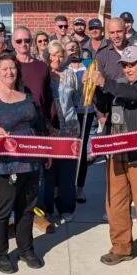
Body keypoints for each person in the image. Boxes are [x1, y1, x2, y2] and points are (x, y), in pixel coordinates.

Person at [89, 46, 137, 275]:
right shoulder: (118, 84)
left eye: (133, 64)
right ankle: (121, 246)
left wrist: (107, 83)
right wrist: (96, 89)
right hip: (117, 153)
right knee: (116, 205)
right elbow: (103, 105)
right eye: (125, 64)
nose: (128, 69)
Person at [0, 54, 46, 274]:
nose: (9, 72)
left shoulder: (27, 94)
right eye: (4, 69)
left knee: (27, 209)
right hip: (2, 165)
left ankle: (26, 250)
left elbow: (39, 124)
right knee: (2, 211)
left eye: (12, 68)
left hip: (30, 162)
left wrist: (46, 151)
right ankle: (0, 254)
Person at [44, 41, 81, 222]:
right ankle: (48, 207)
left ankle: (66, 207)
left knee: (67, 171)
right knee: (50, 171)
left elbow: (76, 99)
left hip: (69, 128)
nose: (56, 58)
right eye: (53, 54)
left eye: (60, 55)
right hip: (50, 130)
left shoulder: (70, 75)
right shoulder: (44, 75)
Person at [63, 37, 94, 203]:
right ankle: (66, 185)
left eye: (75, 47)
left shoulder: (88, 65)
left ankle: (80, 187)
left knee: (81, 151)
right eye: (69, 48)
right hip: (68, 114)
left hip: (85, 111)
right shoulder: (63, 68)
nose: (73, 50)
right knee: (68, 150)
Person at [11, 27, 53, 135]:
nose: (23, 44)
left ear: (31, 42)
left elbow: (48, 97)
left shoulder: (42, 67)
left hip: (39, 126)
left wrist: (53, 122)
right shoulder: (8, 66)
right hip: (14, 127)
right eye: (19, 41)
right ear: (13, 43)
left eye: (27, 40)